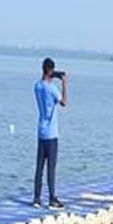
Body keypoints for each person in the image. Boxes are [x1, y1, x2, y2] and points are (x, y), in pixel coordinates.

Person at [33, 57, 68, 209]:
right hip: (51, 133)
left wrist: (52, 76)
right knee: (51, 168)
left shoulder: (37, 86)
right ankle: (52, 198)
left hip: (41, 131)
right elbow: (64, 102)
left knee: (39, 167)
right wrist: (64, 83)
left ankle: (36, 198)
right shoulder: (51, 88)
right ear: (50, 70)